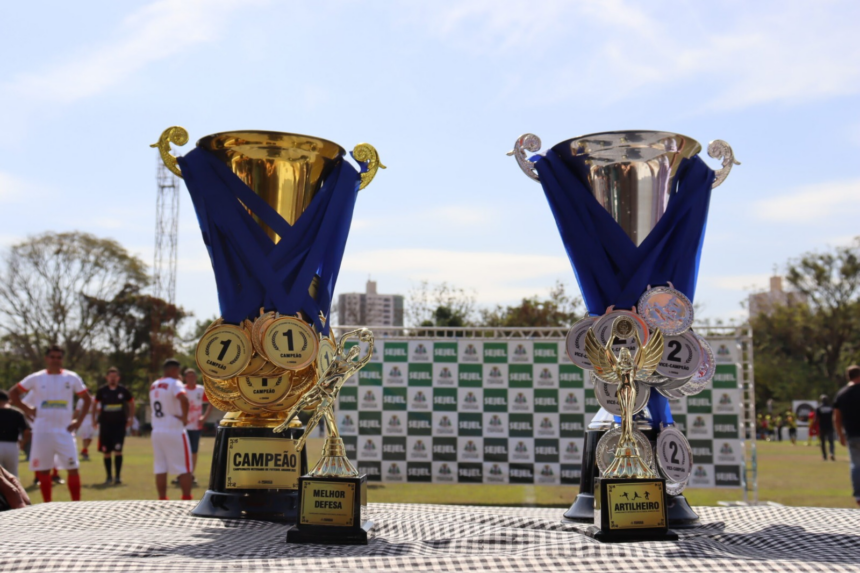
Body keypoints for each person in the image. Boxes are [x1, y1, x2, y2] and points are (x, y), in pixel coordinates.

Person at [8, 345, 92, 502]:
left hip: (65, 431)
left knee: (73, 468)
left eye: (58, 357)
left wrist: (79, 421)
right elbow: (13, 393)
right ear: (46, 358)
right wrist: (27, 409)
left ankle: (77, 506)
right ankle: (48, 506)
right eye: (52, 357)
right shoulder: (37, 377)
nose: (55, 360)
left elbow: (87, 398)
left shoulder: (71, 377)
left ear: (62, 359)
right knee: (44, 470)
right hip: (42, 431)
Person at [150, 358, 192, 501]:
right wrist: (185, 417)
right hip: (174, 428)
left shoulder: (154, 385)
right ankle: (186, 498)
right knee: (185, 468)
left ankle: (162, 498)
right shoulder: (175, 383)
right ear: (174, 370)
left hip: (157, 429)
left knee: (160, 467)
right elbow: (184, 399)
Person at [92, 367, 134, 485]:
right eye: (111, 377)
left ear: (118, 378)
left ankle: (118, 477)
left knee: (118, 450)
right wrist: (94, 419)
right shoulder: (102, 391)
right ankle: (108, 477)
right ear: (107, 378)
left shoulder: (123, 390)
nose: (113, 379)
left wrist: (130, 418)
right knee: (106, 452)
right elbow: (94, 404)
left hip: (119, 426)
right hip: (105, 426)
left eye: (115, 377)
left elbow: (131, 403)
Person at [834, 365, 860, 506]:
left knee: (856, 465)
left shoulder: (842, 394)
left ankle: (859, 495)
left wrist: (840, 435)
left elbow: (837, 418)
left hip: (852, 434)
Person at [178, 368, 207, 485]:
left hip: (195, 426)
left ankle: (191, 474)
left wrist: (204, 417)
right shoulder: (181, 390)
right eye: (188, 377)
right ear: (185, 378)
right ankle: (181, 474)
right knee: (181, 451)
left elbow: (211, 403)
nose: (191, 379)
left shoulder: (201, 390)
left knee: (194, 451)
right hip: (182, 426)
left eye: (193, 376)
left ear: (196, 377)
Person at [0, 390, 30, 477]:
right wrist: (23, 443)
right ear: (8, 399)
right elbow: (27, 431)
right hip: (12, 446)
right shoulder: (17, 412)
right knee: (13, 475)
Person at [74, 396, 94, 461]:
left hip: (92, 418)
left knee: (90, 438)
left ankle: (83, 450)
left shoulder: (94, 399)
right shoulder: (81, 400)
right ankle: (85, 452)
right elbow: (77, 410)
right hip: (84, 419)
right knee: (85, 437)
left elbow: (98, 409)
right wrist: (73, 418)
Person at [816, 394, 835, 461]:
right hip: (830, 426)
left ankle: (824, 456)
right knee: (831, 441)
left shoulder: (819, 408)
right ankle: (831, 453)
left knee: (823, 442)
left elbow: (816, 419)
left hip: (822, 427)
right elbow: (834, 417)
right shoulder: (831, 407)